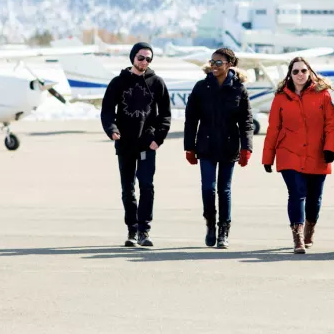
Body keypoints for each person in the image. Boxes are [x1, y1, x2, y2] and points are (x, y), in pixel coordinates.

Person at [262, 57, 334, 254]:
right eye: (295, 71)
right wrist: (267, 157)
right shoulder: (280, 97)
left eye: (303, 71)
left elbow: (331, 124)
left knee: (314, 198)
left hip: (317, 153)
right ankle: (297, 235)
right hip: (289, 153)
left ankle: (310, 227)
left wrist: (330, 148)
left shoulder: (323, 95)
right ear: (290, 74)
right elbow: (273, 129)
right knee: (296, 193)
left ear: (309, 72)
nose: (299, 75)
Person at [100, 42, 171, 248]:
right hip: (124, 144)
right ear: (133, 58)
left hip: (148, 144)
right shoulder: (118, 82)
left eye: (148, 58)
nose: (144, 62)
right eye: (141, 58)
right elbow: (106, 111)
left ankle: (144, 230)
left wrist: (158, 138)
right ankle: (132, 230)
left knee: (147, 186)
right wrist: (112, 129)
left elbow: (165, 114)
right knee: (128, 189)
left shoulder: (157, 82)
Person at [184, 48, 254, 249]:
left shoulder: (238, 89)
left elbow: (246, 121)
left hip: (229, 146)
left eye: (219, 63)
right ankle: (210, 225)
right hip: (205, 146)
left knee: (224, 190)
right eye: (212, 62)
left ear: (230, 64)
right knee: (208, 188)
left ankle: (224, 229)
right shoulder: (201, 87)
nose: (214, 66)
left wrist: (246, 148)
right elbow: (191, 119)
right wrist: (189, 147)